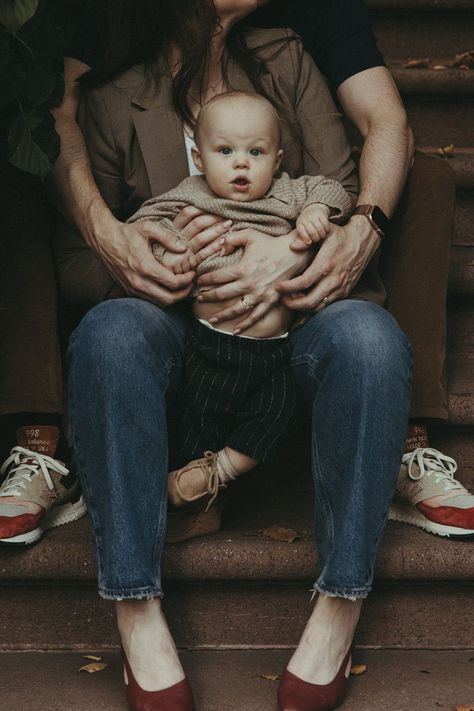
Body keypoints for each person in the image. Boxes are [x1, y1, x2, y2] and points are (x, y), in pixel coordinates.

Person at [54, 2, 412, 710]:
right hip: (174, 316)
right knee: (108, 335)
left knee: (371, 342)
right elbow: (79, 259)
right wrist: (147, 254)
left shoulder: (289, 52)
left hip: (293, 313)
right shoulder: (114, 72)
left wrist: (298, 247)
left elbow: (339, 184)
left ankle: (340, 604)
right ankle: (136, 606)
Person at [126, 90, 354, 511]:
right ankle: (197, 502)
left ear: (278, 160)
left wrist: (317, 211)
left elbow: (333, 189)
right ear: (199, 158)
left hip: (275, 354)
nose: (241, 163)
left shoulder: (288, 193)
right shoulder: (190, 195)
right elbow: (140, 230)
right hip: (206, 347)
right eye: (226, 151)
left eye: (256, 151)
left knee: (282, 411)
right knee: (193, 422)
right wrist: (173, 247)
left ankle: (220, 473)